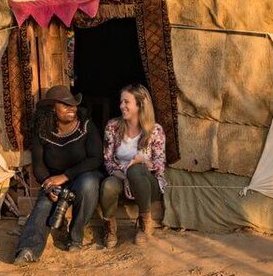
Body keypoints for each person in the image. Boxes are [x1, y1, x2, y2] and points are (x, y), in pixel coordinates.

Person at [13, 85, 103, 265]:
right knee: (44, 204)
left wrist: (66, 176)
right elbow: (39, 166)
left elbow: (96, 159)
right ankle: (28, 249)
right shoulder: (42, 131)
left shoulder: (86, 126)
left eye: (73, 104)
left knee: (88, 183)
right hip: (55, 180)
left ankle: (75, 237)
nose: (72, 109)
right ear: (52, 109)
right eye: (65, 105)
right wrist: (49, 185)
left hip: (82, 176)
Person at [99, 84, 166, 247]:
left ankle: (145, 223)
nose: (121, 106)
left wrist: (143, 161)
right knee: (108, 186)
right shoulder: (112, 127)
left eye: (126, 102)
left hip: (147, 184)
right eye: (121, 102)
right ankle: (110, 227)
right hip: (121, 177)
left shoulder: (155, 130)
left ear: (140, 104)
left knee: (135, 169)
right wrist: (124, 177)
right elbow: (108, 161)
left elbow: (160, 165)